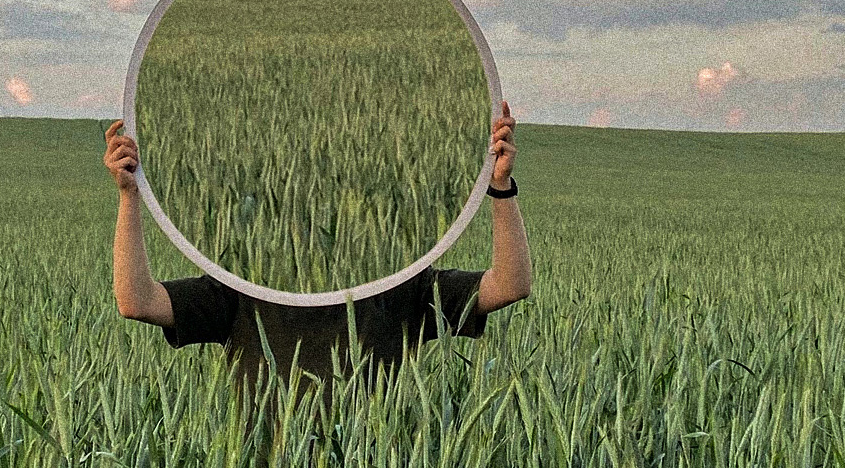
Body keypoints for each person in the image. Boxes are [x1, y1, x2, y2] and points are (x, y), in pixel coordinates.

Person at [102, 102, 532, 426]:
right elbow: (135, 301)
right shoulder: (244, 286)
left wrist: (500, 187)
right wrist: (129, 197)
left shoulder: (403, 285)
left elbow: (510, 285)